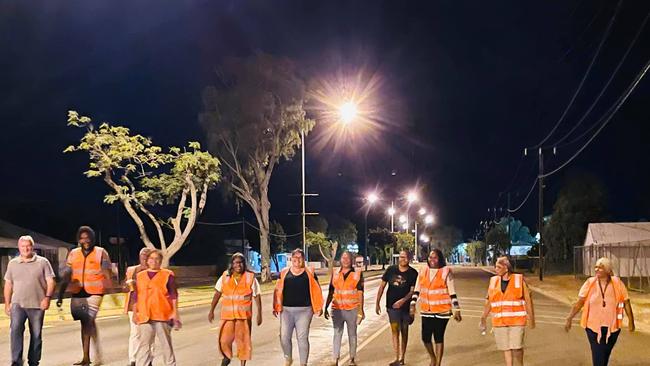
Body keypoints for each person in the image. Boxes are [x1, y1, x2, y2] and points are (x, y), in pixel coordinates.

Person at [57, 226, 113, 366]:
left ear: (92, 238)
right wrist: (60, 295)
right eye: (82, 238)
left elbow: (107, 270)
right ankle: (89, 357)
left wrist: (109, 286)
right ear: (78, 239)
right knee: (86, 324)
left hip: (95, 292)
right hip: (78, 292)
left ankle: (89, 358)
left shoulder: (101, 252)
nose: (85, 240)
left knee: (88, 320)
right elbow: (67, 274)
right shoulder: (73, 253)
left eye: (87, 237)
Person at [564, 257, 635, 366]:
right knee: (598, 356)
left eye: (600, 268)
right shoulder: (590, 283)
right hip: (593, 327)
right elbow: (579, 303)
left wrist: (631, 321)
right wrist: (569, 318)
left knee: (605, 355)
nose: (597, 269)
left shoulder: (617, 283)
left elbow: (626, 301)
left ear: (608, 270)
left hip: (613, 327)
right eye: (596, 267)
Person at [4, 235, 56, 366]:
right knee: (15, 332)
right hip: (18, 305)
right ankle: (16, 361)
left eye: (28, 246)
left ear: (32, 247)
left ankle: (34, 361)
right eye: (23, 246)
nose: (25, 249)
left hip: (38, 305)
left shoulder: (43, 262)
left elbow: (51, 282)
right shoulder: (12, 263)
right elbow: (8, 284)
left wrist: (47, 298)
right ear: (19, 247)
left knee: (36, 335)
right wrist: (7, 303)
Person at [208, 253, 262, 366]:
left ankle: (243, 364)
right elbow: (217, 293)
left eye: (241, 262)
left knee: (243, 342)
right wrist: (211, 310)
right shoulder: (225, 277)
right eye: (236, 262)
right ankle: (226, 357)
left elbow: (257, 295)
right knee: (224, 340)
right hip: (228, 317)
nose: (239, 265)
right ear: (232, 264)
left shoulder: (250, 277)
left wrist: (259, 314)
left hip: (243, 317)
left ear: (244, 264)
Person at [480, 256, 535, 366]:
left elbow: (528, 300)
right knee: (506, 348)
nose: (496, 269)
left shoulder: (519, 280)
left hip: (517, 321)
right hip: (499, 322)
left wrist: (532, 317)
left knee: (517, 348)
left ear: (506, 268)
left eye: (498, 267)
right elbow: (489, 301)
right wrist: (483, 317)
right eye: (496, 266)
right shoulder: (493, 281)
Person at [410, 249, 461, 366]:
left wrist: (457, 309)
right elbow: (417, 289)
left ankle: (437, 363)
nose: (432, 260)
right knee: (425, 337)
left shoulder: (446, 271)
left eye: (435, 257)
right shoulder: (423, 271)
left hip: (442, 311)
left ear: (440, 259)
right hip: (426, 310)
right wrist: (412, 305)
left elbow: (452, 291)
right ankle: (433, 358)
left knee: (438, 337)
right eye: (430, 257)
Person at [273, 248, 324, 366]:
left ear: (304, 259)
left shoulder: (310, 272)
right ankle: (288, 358)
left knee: (302, 337)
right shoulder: (284, 272)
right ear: (291, 259)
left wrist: (318, 307)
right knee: (284, 336)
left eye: (300, 258)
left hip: (305, 311)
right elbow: (277, 290)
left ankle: (303, 363)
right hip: (286, 310)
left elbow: (317, 290)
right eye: (295, 257)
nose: (297, 260)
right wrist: (275, 306)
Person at [132, 250, 181, 366]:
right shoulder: (140, 276)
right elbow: (136, 296)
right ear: (147, 261)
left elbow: (174, 294)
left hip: (162, 315)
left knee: (166, 345)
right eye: (151, 258)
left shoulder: (167, 274)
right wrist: (135, 313)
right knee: (144, 345)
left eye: (157, 259)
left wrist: (175, 313)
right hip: (144, 315)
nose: (154, 261)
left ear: (161, 261)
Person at [375, 250, 418, 366]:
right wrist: (377, 302)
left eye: (405, 257)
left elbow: (412, 291)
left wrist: (403, 301)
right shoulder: (391, 270)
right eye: (401, 257)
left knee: (404, 331)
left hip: (405, 308)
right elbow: (382, 287)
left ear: (409, 259)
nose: (402, 259)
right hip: (392, 307)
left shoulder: (413, 273)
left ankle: (402, 358)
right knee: (395, 331)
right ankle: (396, 357)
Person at [324, 251, 365, 366]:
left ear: (351, 260)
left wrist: (361, 310)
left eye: (348, 258)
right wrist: (326, 306)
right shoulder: (335, 273)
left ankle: (352, 358)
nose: (345, 260)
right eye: (343, 258)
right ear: (340, 260)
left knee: (352, 334)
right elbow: (331, 290)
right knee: (337, 333)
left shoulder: (357, 273)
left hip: (352, 309)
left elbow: (360, 292)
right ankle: (335, 359)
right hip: (337, 309)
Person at [124, 247, 152, 366]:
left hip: (149, 306)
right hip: (133, 306)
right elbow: (124, 287)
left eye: (147, 257)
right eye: (143, 256)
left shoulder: (155, 272)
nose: (145, 259)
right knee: (135, 333)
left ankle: (149, 360)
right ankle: (133, 360)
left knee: (149, 334)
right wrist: (129, 285)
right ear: (140, 257)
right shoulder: (132, 270)